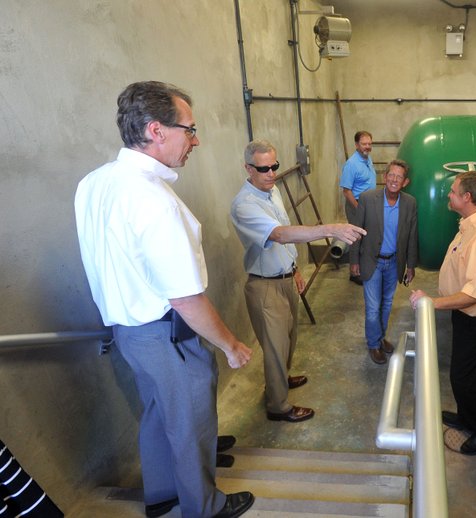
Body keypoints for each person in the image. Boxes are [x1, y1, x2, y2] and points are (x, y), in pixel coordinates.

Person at [75, 81, 254, 518]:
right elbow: (186, 298)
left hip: (129, 333)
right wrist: (230, 344)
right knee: (191, 421)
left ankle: (162, 496)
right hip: (166, 337)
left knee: (158, 413)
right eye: (189, 130)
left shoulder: (95, 183)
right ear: (157, 130)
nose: (195, 140)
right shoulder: (154, 200)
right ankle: (204, 507)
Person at [231, 140, 366, 423]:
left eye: (274, 166)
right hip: (265, 286)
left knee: (289, 337)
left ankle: (278, 381)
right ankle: (278, 407)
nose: (271, 173)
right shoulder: (244, 205)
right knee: (275, 345)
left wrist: (294, 269)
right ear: (248, 168)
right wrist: (330, 228)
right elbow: (279, 234)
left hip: (284, 277)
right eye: (264, 168)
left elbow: (286, 237)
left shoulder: (273, 190)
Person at [409, 171, 476, 456]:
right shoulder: (469, 225)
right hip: (463, 314)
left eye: (452, 191)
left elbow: (475, 294)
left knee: (465, 380)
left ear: (467, 197)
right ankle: (465, 417)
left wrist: (432, 303)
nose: (448, 195)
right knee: (464, 375)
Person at [349, 160, 418, 364]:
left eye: (399, 177)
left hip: (394, 263)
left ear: (405, 182)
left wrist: (411, 265)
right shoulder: (368, 199)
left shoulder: (410, 203)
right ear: (384, 177)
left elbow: (412, 235)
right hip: (372, 261)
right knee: (373, 307)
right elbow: (356, 230)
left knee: (387, 304)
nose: (394, 180)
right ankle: (373, 344)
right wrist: (354, 260)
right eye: (391, 175)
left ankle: (379, 338)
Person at [340, 130, 377, 284]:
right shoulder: (351, 164)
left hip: (369, 204)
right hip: (356, 204)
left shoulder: (368, 159)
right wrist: (358, 208)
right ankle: (354, 274)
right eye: (364, 144)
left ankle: (362, 268)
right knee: (356, 238)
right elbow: (346, 191)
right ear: (356, 145)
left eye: (369, 144)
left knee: (365, 238)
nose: (367, 147)